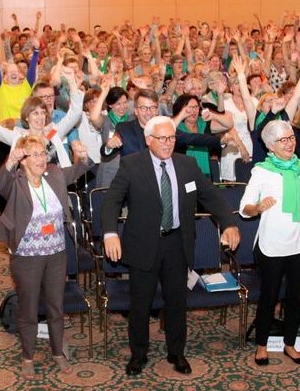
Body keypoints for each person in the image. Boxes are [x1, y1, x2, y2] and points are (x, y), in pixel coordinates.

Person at [102, 115, 240, 376]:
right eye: (162, 138)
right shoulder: (132, 165)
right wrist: (110, 233)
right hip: (143, 244)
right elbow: (112, 201)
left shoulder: (187, 164)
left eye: (172, 138)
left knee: (177, 303)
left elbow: (211, 196)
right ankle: (138, 354)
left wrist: (229, 222)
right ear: (148, 140)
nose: (168, 143)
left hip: (177, 243)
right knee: (140, 304)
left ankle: (177, 353)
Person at [0, 135, 93, 379]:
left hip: (56, 254)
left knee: (56, 306)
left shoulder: (55, 174)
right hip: (27, 257)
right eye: (35, 155)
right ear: (23, 160)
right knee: (28, 308)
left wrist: (82, 157)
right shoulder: (15, 182)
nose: (41, 159)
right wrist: (10, 161)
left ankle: (58, 352)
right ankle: (28, 356)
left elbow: (79, 170)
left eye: (43, 154)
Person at [239, 120, 300, 366]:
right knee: (269, 295)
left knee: (296, 296)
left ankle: (290, 343)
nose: (290, 143)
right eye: (283, 140)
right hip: (271, 245)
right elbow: (244, 208)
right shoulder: (262, 171)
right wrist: (258, 207)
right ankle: (262, 345)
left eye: (291, 138)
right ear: (270, 146)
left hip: (299, 243)